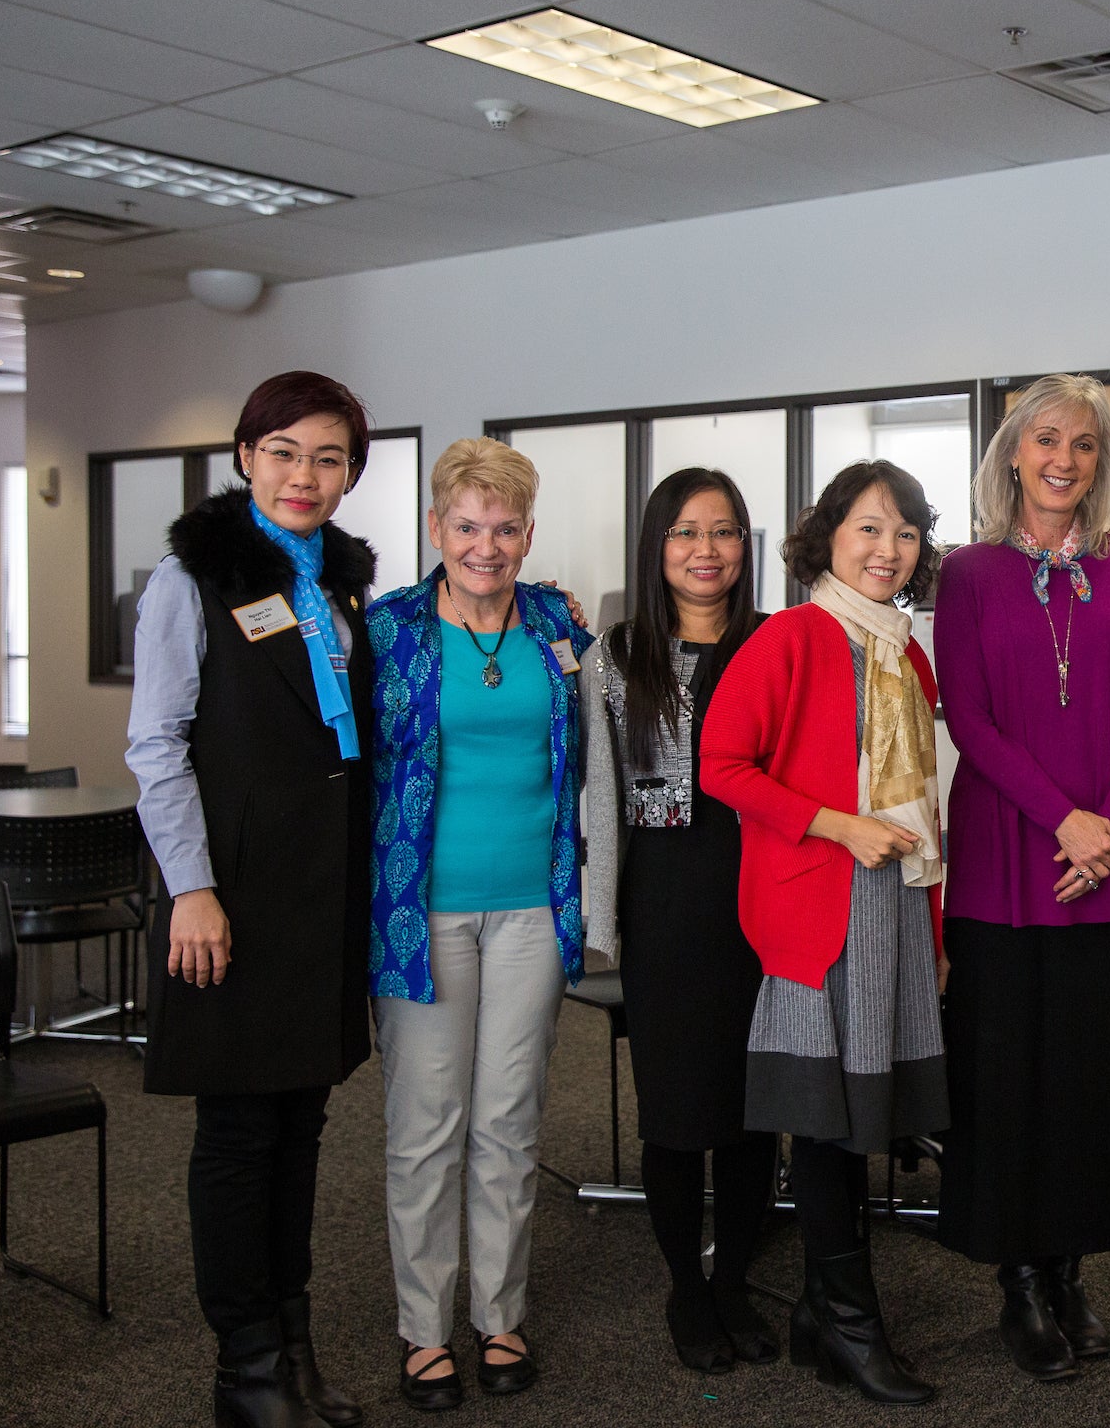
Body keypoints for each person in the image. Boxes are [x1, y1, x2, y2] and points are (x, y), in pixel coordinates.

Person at [127, 370, 377, 1428]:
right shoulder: (194, 578)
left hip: (322, 889)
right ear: (243, 457)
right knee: (238, 1133)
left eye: (328, 456)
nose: (303, 475)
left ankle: (293, 1345)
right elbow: (157, 743)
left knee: (301, 1123)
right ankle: (245, 1367)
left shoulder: (338, 581)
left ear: (351, 471)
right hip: (230, 894)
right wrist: (191, 887)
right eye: (282, 451)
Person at [699, 460, 949, 1407]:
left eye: (908, 534)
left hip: (892, 899)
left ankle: (817, 1310)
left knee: (865, 1112)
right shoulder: (792, 637)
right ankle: (850, 1321)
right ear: (829, 536)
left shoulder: (905, 650)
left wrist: (933, 919)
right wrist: (835, 824)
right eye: (870, 530)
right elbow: (723, 763)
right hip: (820, 904)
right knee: (829, 1121)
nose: (890, 551)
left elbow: (920, 799)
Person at [934, 374, 1110, 1381]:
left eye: (1082, 442)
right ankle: (1019, 1281)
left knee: (1093, 1079)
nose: (1063, 459)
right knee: (1005, 1079)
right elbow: (969, 718)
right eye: (1045, 439)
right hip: (1005, 861)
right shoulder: (969, 572)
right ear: (1014, 451)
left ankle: (1070, 1268)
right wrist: (1064, 819)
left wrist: (1106, 826)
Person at [365, 437, 594, 1407]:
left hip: (534, 908)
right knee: (426, 1124)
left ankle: (499, 1314)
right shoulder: (388, 629)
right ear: (435, 528)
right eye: (467, 525)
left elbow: (591, 752)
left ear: (528, 532)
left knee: (508, 1117)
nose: (486, 544)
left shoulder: (554, 623)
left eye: (504, 527)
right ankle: (424, 1329)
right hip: (424, 912)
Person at [582, 467, 778, 1375]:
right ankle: (684, 1287)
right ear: (657, 546)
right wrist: (602, 921)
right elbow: (600, 796)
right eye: (686, 533)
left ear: (747, 546)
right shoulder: (617, 655)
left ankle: (734, 1278)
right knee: (675, 1108)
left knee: (749, 1108)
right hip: (664, 898)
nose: (707, 551)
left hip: (765, 896)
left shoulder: (781, 644)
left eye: (726, 532)